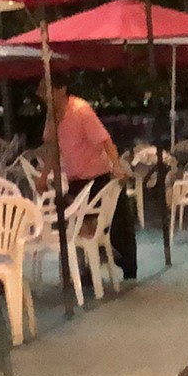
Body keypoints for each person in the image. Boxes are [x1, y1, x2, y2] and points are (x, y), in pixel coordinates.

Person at [41, 71, 137, 280]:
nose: (43, 96)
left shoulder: (80, 111)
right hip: (75, 180)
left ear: (61, 89)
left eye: (47, 90)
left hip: (97, 178)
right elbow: (52, 149)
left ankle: (125, 269)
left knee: (116, 228)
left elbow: (105, 141)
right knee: (73, 220)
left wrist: (117, 166)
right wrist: (43, 176)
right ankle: (86, 268)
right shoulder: (52, 117)